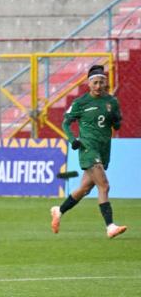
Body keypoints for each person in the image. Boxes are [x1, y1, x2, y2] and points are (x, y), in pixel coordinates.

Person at [50, 64, 127, 239]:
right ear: (88, 84)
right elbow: (66, 123)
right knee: (104, 186)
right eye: (95, 82)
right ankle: (110, 226)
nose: (98, 86)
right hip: (88, 149)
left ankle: (59, 210)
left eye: (101, 82)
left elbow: (117, 124)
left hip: (103, 148)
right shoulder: (80, 103)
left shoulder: (111, 102)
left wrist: (116, 119)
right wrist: (73, 140)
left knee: (85, 188)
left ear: (105, 83)